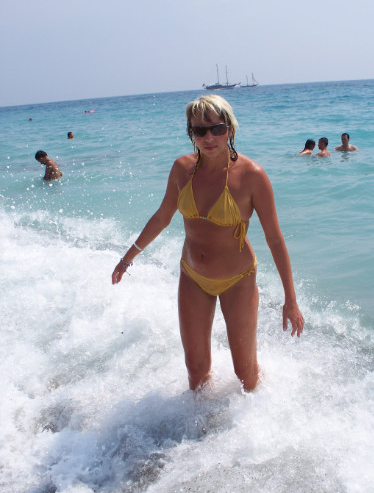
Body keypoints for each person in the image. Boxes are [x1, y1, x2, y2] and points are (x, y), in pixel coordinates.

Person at [112, 94, 304, 392]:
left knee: (245, 372)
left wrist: (290, 300)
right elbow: (162, 217)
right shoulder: (181, 169)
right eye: (199, 131)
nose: (209, 137)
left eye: (217, 129)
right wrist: (127, 258)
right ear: (191, 134)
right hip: (193, 276)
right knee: (196, 369)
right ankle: (200, 421)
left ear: (230, 129)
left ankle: (258, 415)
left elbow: (275, 240)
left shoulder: (252, 176)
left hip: (238, 279)